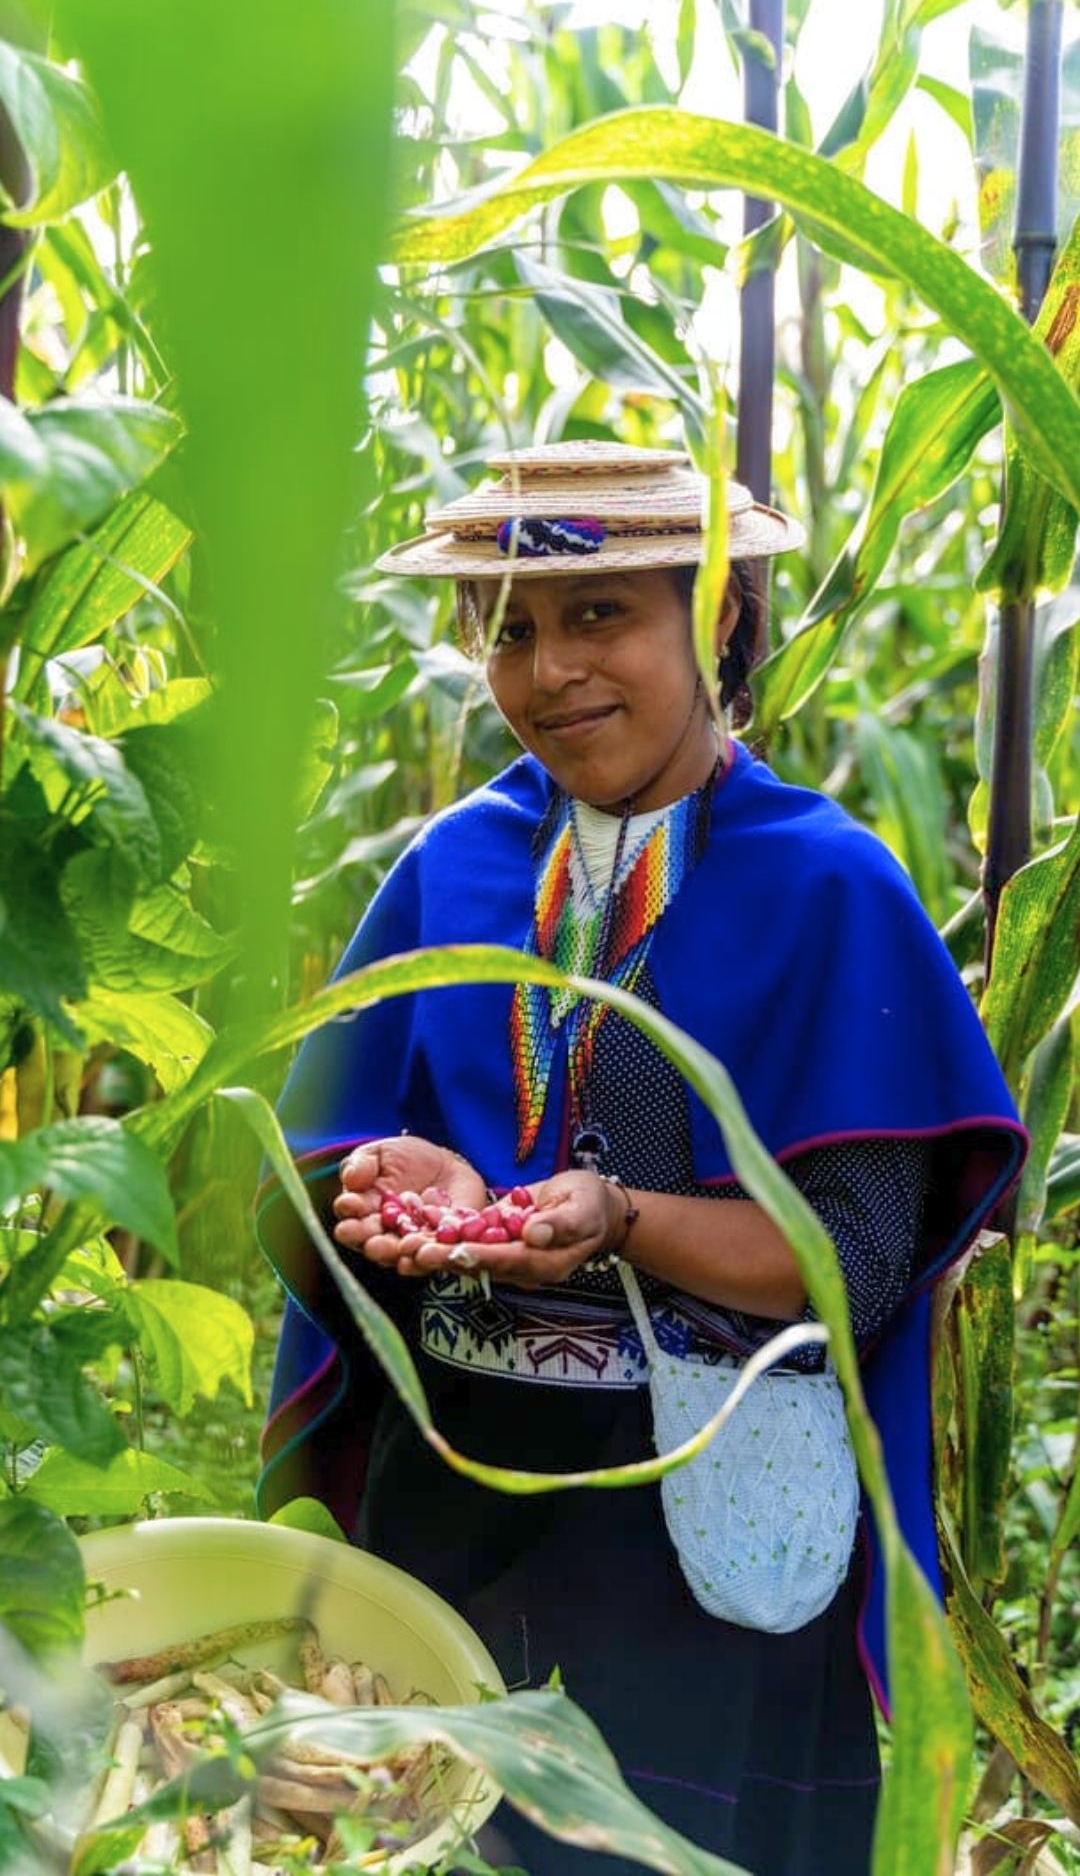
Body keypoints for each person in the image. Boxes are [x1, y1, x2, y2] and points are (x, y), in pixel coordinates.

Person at [256, 441, 1026, 1876]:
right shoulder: (452, 868)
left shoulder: (825, 885)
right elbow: (325, 1161)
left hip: (697, 1541)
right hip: (455, 1504)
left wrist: (618, 1216)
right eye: (511, 631)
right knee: (424, 1828)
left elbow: (852, 1262)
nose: (550, 671)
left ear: (715, 613)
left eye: (600, 614)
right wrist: (393, 1188)